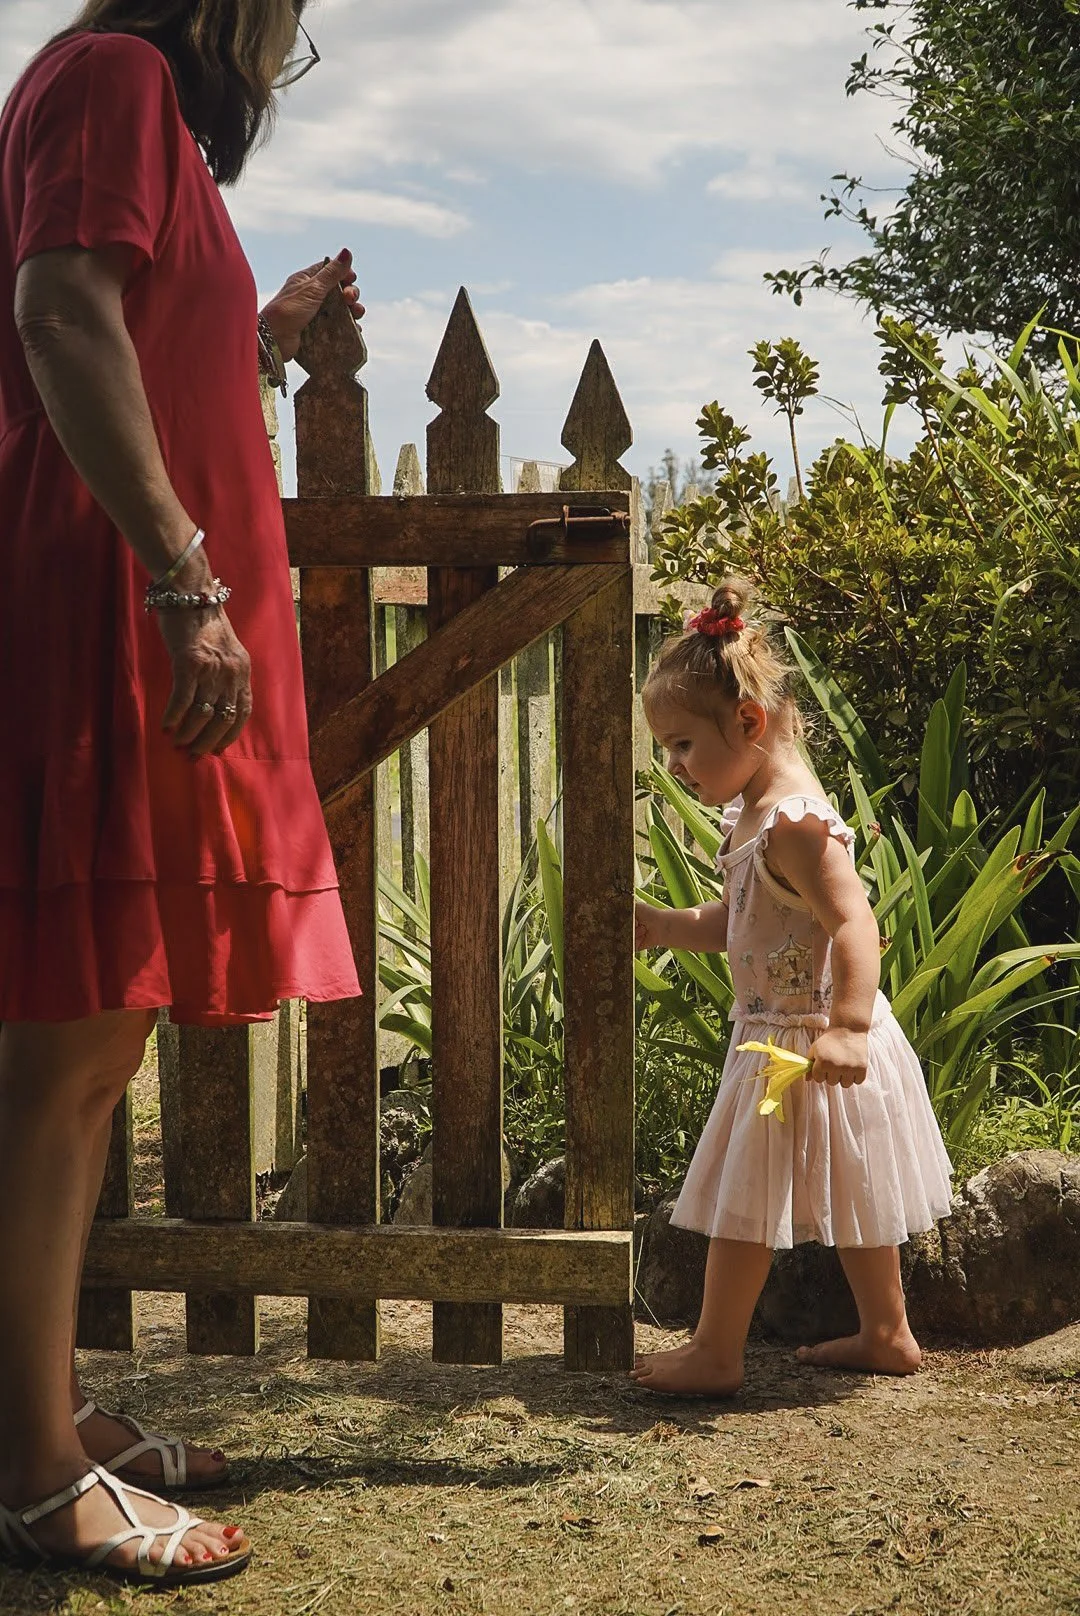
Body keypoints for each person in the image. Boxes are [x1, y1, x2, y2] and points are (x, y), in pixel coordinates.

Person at [0, 0, 364, 1587]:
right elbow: (62, 315)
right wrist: (180, 582)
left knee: (96, 1044)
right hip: (111, 621)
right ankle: (30, 1472)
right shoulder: (111, 72)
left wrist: (265, 330)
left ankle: (49, 1416)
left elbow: (151, 341)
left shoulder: (142, 109)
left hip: (146, 618)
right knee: (67, 1056)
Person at [631, 580, 953, 1398]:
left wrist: (847, 1027)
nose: (674, 765)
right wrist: (669, 924)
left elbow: (853, 923)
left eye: (681, 745)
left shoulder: (796, 824)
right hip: (785, 1040)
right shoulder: (754, 818)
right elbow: (747, 921)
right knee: (854, 1187)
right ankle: (887, 1332)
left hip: (807, 1044)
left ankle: (714, 1351)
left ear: (747, 722)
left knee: (746, 1204)